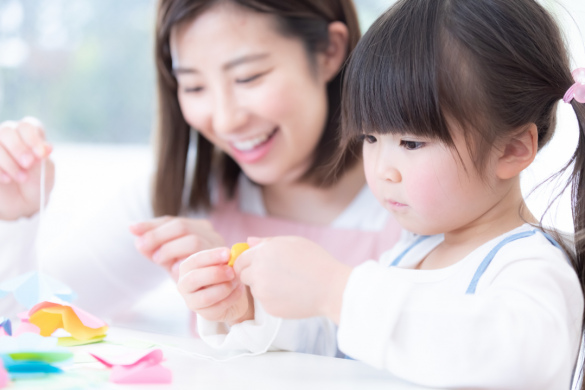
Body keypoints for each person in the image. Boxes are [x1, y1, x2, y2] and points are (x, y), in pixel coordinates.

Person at [184, 0, 585, 388]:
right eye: (372, 137)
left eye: (411, 143)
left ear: (512, 150)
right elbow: (346, 344)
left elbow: (513, 359)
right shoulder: (411, 253)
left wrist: (336, 291)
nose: (380, 169)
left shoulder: (530, 265)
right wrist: (251, 311)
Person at [0, 0, 401, 331]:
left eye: (248, 77)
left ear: (330, 51)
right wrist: (16, 216)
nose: (225, 120)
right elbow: (28, 317)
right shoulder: (182, 194)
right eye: (193, 86)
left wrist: (241, 302)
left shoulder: (418, 197)